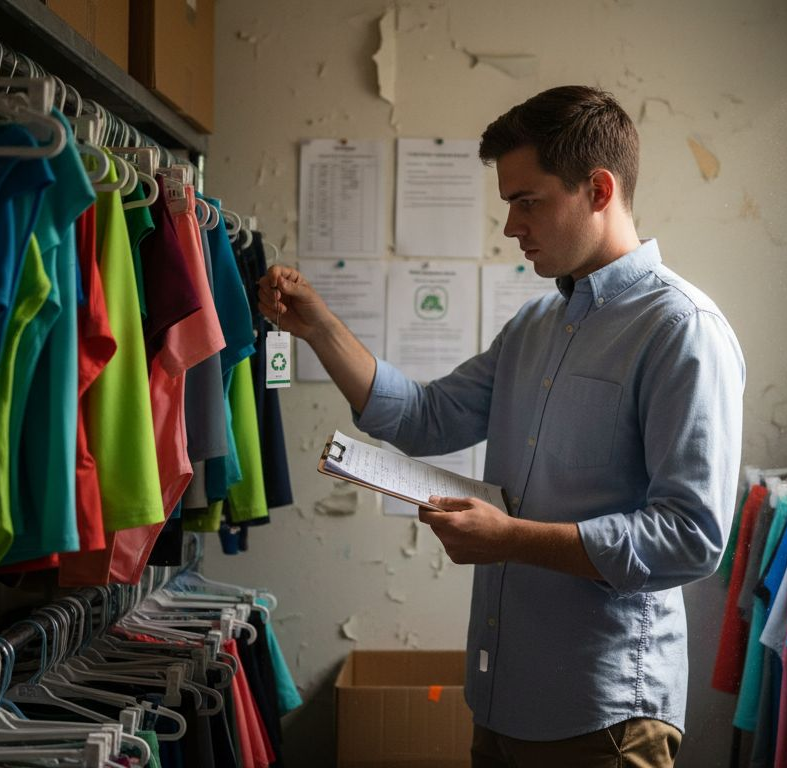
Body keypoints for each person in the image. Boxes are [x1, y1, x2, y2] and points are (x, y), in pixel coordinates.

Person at [258, 85, 744, 767]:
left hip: (604, 718)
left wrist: (510, 539)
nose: (512, 226)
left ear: (598, 189)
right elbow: (427, 417)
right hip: (500, 704)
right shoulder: (536, 324)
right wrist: (320, 329)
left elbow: (690, 539)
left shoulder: (681, 330)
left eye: (527, 201)